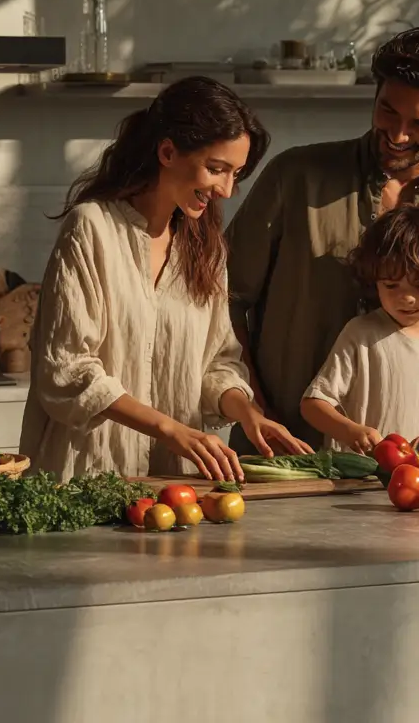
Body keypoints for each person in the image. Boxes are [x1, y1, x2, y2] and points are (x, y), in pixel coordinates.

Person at [226, 24, 419, 454]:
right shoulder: (294, 179)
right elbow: (222, 294)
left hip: (408, 473)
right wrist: (248, 398)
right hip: (279, 454)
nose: (397, 134)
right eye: (387, 111)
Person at [20, 76, 310, 483]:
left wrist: (248, 413)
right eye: (216, 169)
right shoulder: (92, 228)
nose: (226, 190)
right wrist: (169, 428)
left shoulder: (205, 246)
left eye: (235, 174)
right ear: (168, 151)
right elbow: (67, 368)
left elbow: (216, 361)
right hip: (87, 478)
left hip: (174, 485)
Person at [300, 205, 419, 467]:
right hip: (356, 480)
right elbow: (313, 404)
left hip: (417, 479)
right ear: (374, 281)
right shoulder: (361, 333)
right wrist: (350, 431)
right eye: (391, 285)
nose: (407, 297)